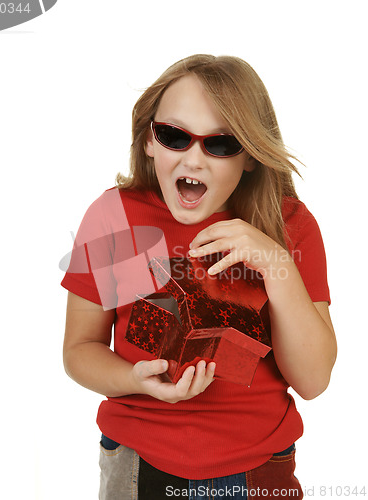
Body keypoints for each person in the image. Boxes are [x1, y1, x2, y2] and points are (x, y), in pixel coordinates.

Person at [61, 54, 337, 500]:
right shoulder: (113, 216)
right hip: (138, 458)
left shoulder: (290, 226)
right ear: (148, 140)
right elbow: (79, 350)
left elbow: (313, 380)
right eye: (174, 136)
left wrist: (275, 264)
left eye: (221, 144)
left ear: (249, 155)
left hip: (259, 466)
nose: (194, 160)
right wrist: (136, 380)